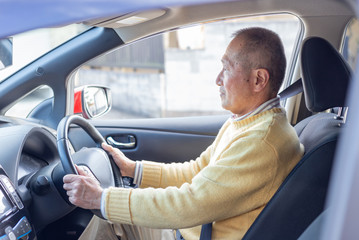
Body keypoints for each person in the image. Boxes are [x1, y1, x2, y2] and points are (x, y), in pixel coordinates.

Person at [63, 27, 304, 240]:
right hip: (193, 231)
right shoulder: (247, 123)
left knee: (110, 215)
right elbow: (196, 171)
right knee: (113, 214)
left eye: (227, 68)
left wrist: (100, 199)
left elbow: (189, 203)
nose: (218, 79)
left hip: (194, 233)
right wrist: (132, 169)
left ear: (258, 80)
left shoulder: (261, 142)